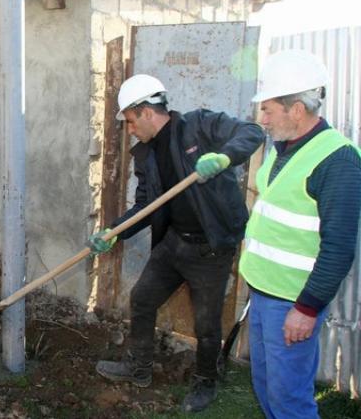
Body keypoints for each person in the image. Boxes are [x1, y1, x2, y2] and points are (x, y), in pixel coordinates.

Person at [89, 74, 265, 412]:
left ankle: (205, 383)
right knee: (142, 299)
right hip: (174, 243)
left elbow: (252, 132)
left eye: (129, 121)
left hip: (210, 247)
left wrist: (225, 157)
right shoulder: (145, 155)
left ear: (145, 112)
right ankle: (139, 368)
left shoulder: (198, 125)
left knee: (206, 323)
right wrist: (111, 233)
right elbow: (145, 206)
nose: (130, 130)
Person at [238, 49, 361, 418]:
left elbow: (339, 249)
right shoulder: (282, 147)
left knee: (290, 399)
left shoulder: (337, 160)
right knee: (266, 387)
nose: (262, 118)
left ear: (296, 109)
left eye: (269, 109)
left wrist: (306, 309)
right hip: (263, 293)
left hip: (292, 303)